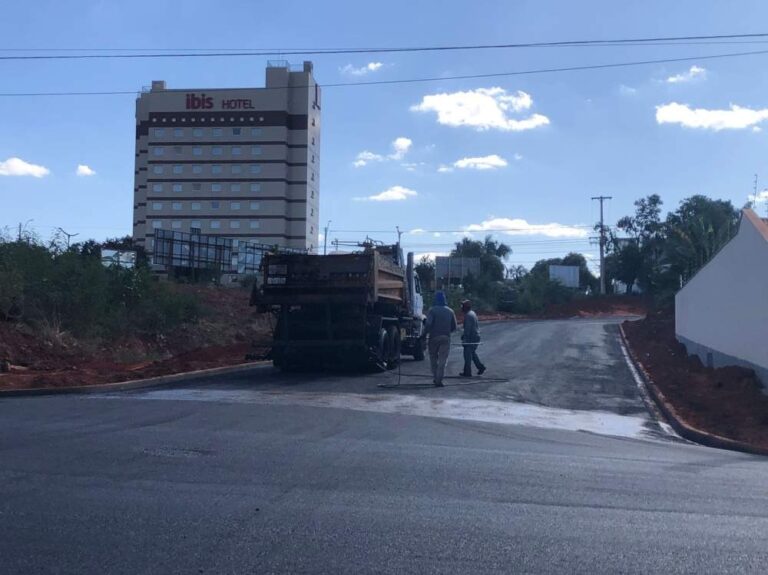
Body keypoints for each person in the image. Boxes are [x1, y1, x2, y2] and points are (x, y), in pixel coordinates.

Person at [425, 290, 457, 387]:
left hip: (433, 338)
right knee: (443, 360)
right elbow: (454, 327)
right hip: (445, 338)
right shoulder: (450, 311)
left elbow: (428, 324)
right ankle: (439, 380)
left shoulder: (432, 310)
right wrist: (446, 331)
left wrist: (423, 335)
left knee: (433, 358)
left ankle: (435, 377)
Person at [459, 299, 486, 377]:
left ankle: (467, 372)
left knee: (467, 354)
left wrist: (465, 339)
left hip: (472, 338)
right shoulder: (472, 313)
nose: (461, 307)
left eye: (462, 306)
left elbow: (468, 329)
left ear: (465, 307)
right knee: (472, 353)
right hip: (475, 336)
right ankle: (481, 367)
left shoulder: (468, 315)